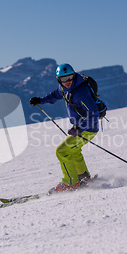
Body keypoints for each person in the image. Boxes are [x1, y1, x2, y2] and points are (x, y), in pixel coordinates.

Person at [30, 63, 99, 193]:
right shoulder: (64, 89)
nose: (67, 82)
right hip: (81, 127)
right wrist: (40, 100)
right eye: (63, 79)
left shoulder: (80, 92)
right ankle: (84, 178)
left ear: (74, 75)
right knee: (73, 150)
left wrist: (80, 128)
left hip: (88, 128)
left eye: (70, 77)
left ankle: (70, 182)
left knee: (61, 150)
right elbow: (54, 95)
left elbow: (93, 113)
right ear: (58, 80)